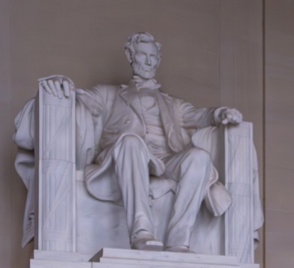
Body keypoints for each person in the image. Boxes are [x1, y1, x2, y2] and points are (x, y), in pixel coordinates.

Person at [36, 32, 242, 252]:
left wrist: (221, 114)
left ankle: (179, 240)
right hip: (125, 154)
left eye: (153, 56)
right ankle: (141, 232)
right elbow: (80, 97)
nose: (148, 61)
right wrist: (61, 83)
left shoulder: (173, 103)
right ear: (130, 55)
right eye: (142, 55)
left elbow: (201, 116)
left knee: (199, 157)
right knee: (131, 141)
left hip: (165, 159)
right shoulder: (109, 94)